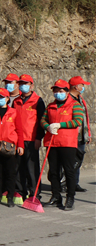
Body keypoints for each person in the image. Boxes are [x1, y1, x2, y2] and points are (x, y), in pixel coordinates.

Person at [41, 79, 86, 210]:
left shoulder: (75, 105)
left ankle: (70, 197)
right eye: (55, 91)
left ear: (67, 92)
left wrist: (60, 125)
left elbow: (77, 121)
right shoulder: (50, 106)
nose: (57, 93)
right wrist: (47, 126)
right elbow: (43, 119)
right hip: (52, 142)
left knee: (69, 171)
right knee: (53, 171)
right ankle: (56, 196)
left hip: (67, 143)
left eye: (60, 91)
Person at [13, 74, 45, 200]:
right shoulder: (16, 101)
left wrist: (38, 138)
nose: (23, 86)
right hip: (18, 139)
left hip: (31, 139)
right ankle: (20, 192)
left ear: (32, 85)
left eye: (26, 83)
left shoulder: (38, 101)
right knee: (18, 167)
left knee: (32, 168)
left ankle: (34, 193)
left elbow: (42, 120)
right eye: (21, 83)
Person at [68, 76, 91, 193]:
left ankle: (75, 183)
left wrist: (88, 134)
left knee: (78, 161)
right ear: (76, 86)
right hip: (71, 136)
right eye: (82, 85)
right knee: (69, 161)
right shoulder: (67, 99)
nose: (83, 87)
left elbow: (85, 118)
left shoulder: (80, 99)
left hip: (81, 135)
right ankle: (66, 183)